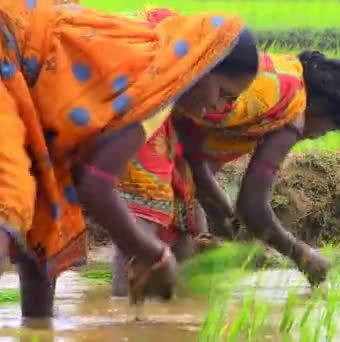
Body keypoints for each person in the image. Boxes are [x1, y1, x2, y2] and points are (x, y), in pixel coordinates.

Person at [0, 1, 259, 318]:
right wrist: (154, 253)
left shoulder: (151, 75)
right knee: (8, 199)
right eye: (223, 93)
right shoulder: (151, 87)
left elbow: (80, 184)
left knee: (42, 215)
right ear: (205, 63)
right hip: (10, 40)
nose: (220, 108)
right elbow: (95, 188)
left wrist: (38, 331)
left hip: (21, 63)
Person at [113, 8, 340, 291]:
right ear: (320, 108)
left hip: (162, 83)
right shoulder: (293, 114)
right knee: (145, 217)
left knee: (183, 226)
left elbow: (194, 155)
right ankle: (122, 317)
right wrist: (302, 254)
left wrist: (218, 211)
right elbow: (253, 207)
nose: (317, 136)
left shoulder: (280, 74)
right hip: (155, 90)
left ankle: (173, 314)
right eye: (327, 129)